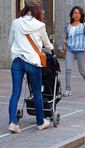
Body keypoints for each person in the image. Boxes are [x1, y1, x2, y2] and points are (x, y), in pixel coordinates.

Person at [8, 0, 54, 133]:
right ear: (37, 12)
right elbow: (47, 44)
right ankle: (40, 122)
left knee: (15, 92)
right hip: (33, 62)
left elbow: (10, 41)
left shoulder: (15, 23)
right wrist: (50, 48)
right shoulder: (40, 25)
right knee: (37, 92)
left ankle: (13, 122)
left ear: (24, 10)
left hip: (17, 60)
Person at [60, 6, 85, 97]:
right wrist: (61, 47)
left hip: (81, 50)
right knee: (68, 69)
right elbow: (64, 36)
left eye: (78, 13)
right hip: (70, 49)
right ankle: (68, 89)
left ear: (81, 14)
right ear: (72, 14)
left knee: (82, 70)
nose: (76, 15)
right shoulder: (67, 24)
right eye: (75, 13)